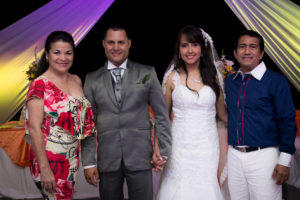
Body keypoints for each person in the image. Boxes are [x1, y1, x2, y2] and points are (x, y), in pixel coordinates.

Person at [81, 24, 172, 200]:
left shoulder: (147, 73)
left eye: (121, 42)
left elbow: (161, 116)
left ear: (129, 43)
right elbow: (88, 124)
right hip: (107, 159)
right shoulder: (92, 79)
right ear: (103, 44)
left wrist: (163, 150)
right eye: (111, 42)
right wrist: (89, 162)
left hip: (140, 156)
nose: (116, 47)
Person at [156, 25, 227, 199]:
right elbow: (162, 117)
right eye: (184, 45)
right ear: (178, 50)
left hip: (207, 146)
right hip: (179, 145)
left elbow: (223, 115)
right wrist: (158, 146)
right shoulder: (172, 78)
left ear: (202, 49)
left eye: (194, 45)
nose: (189, 50)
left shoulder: (214, 77)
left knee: (206, 185)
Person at [225, 30, 297, 200]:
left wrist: (284, 161)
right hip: (234, 156)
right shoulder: (230, 81)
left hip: (264, 156)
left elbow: (287, 122)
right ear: (235, 53)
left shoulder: (275, 81)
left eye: (253, 47)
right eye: (242, 47)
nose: (247, 51)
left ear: (261, 53)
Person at [24, 31, 97, 199]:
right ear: (48, 55)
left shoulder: (76, 80)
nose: (63, 57)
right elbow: (34, 128)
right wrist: (44, 168)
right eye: (57, 52)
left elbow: (82, 120)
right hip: (49, 159)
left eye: (68, 53)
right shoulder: (39, 85)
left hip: (71, 156)